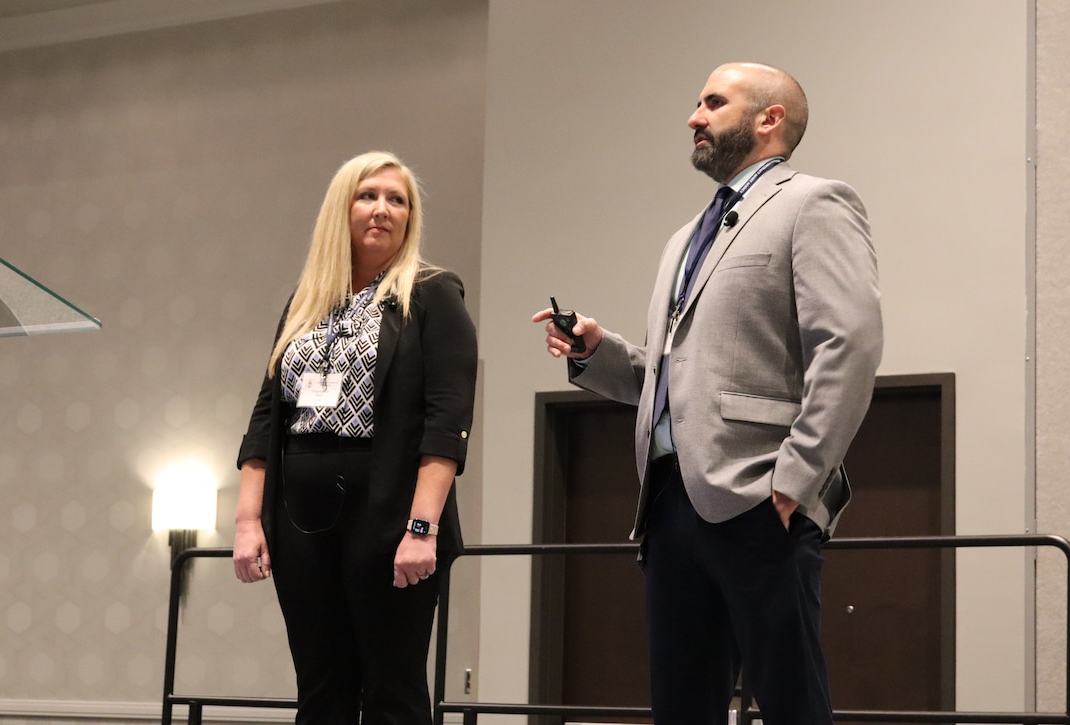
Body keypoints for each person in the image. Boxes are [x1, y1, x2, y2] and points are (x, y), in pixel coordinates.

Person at [533, 62, 882, 724]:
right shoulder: (684, 238)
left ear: (769, 119)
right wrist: (594, 352)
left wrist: (797, 477)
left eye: (713, 102)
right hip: (667, 508)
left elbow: (850, 344)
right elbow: (671, 379)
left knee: (792, 703)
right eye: (697, 103)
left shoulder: (814, 203)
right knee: (683, 706)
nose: (694, 116)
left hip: (761, 499)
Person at [232, 151, 478, 724]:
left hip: (391, 516)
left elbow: (448, 421)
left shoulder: (433, 293)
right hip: (300, 518)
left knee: (392, 693)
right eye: (368, 196)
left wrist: (423, 528)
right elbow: (267, 417)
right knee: (321, 689)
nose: (383, 209)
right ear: (341, 209)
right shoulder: (305, 301)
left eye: (398, 200)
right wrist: (249, 521)